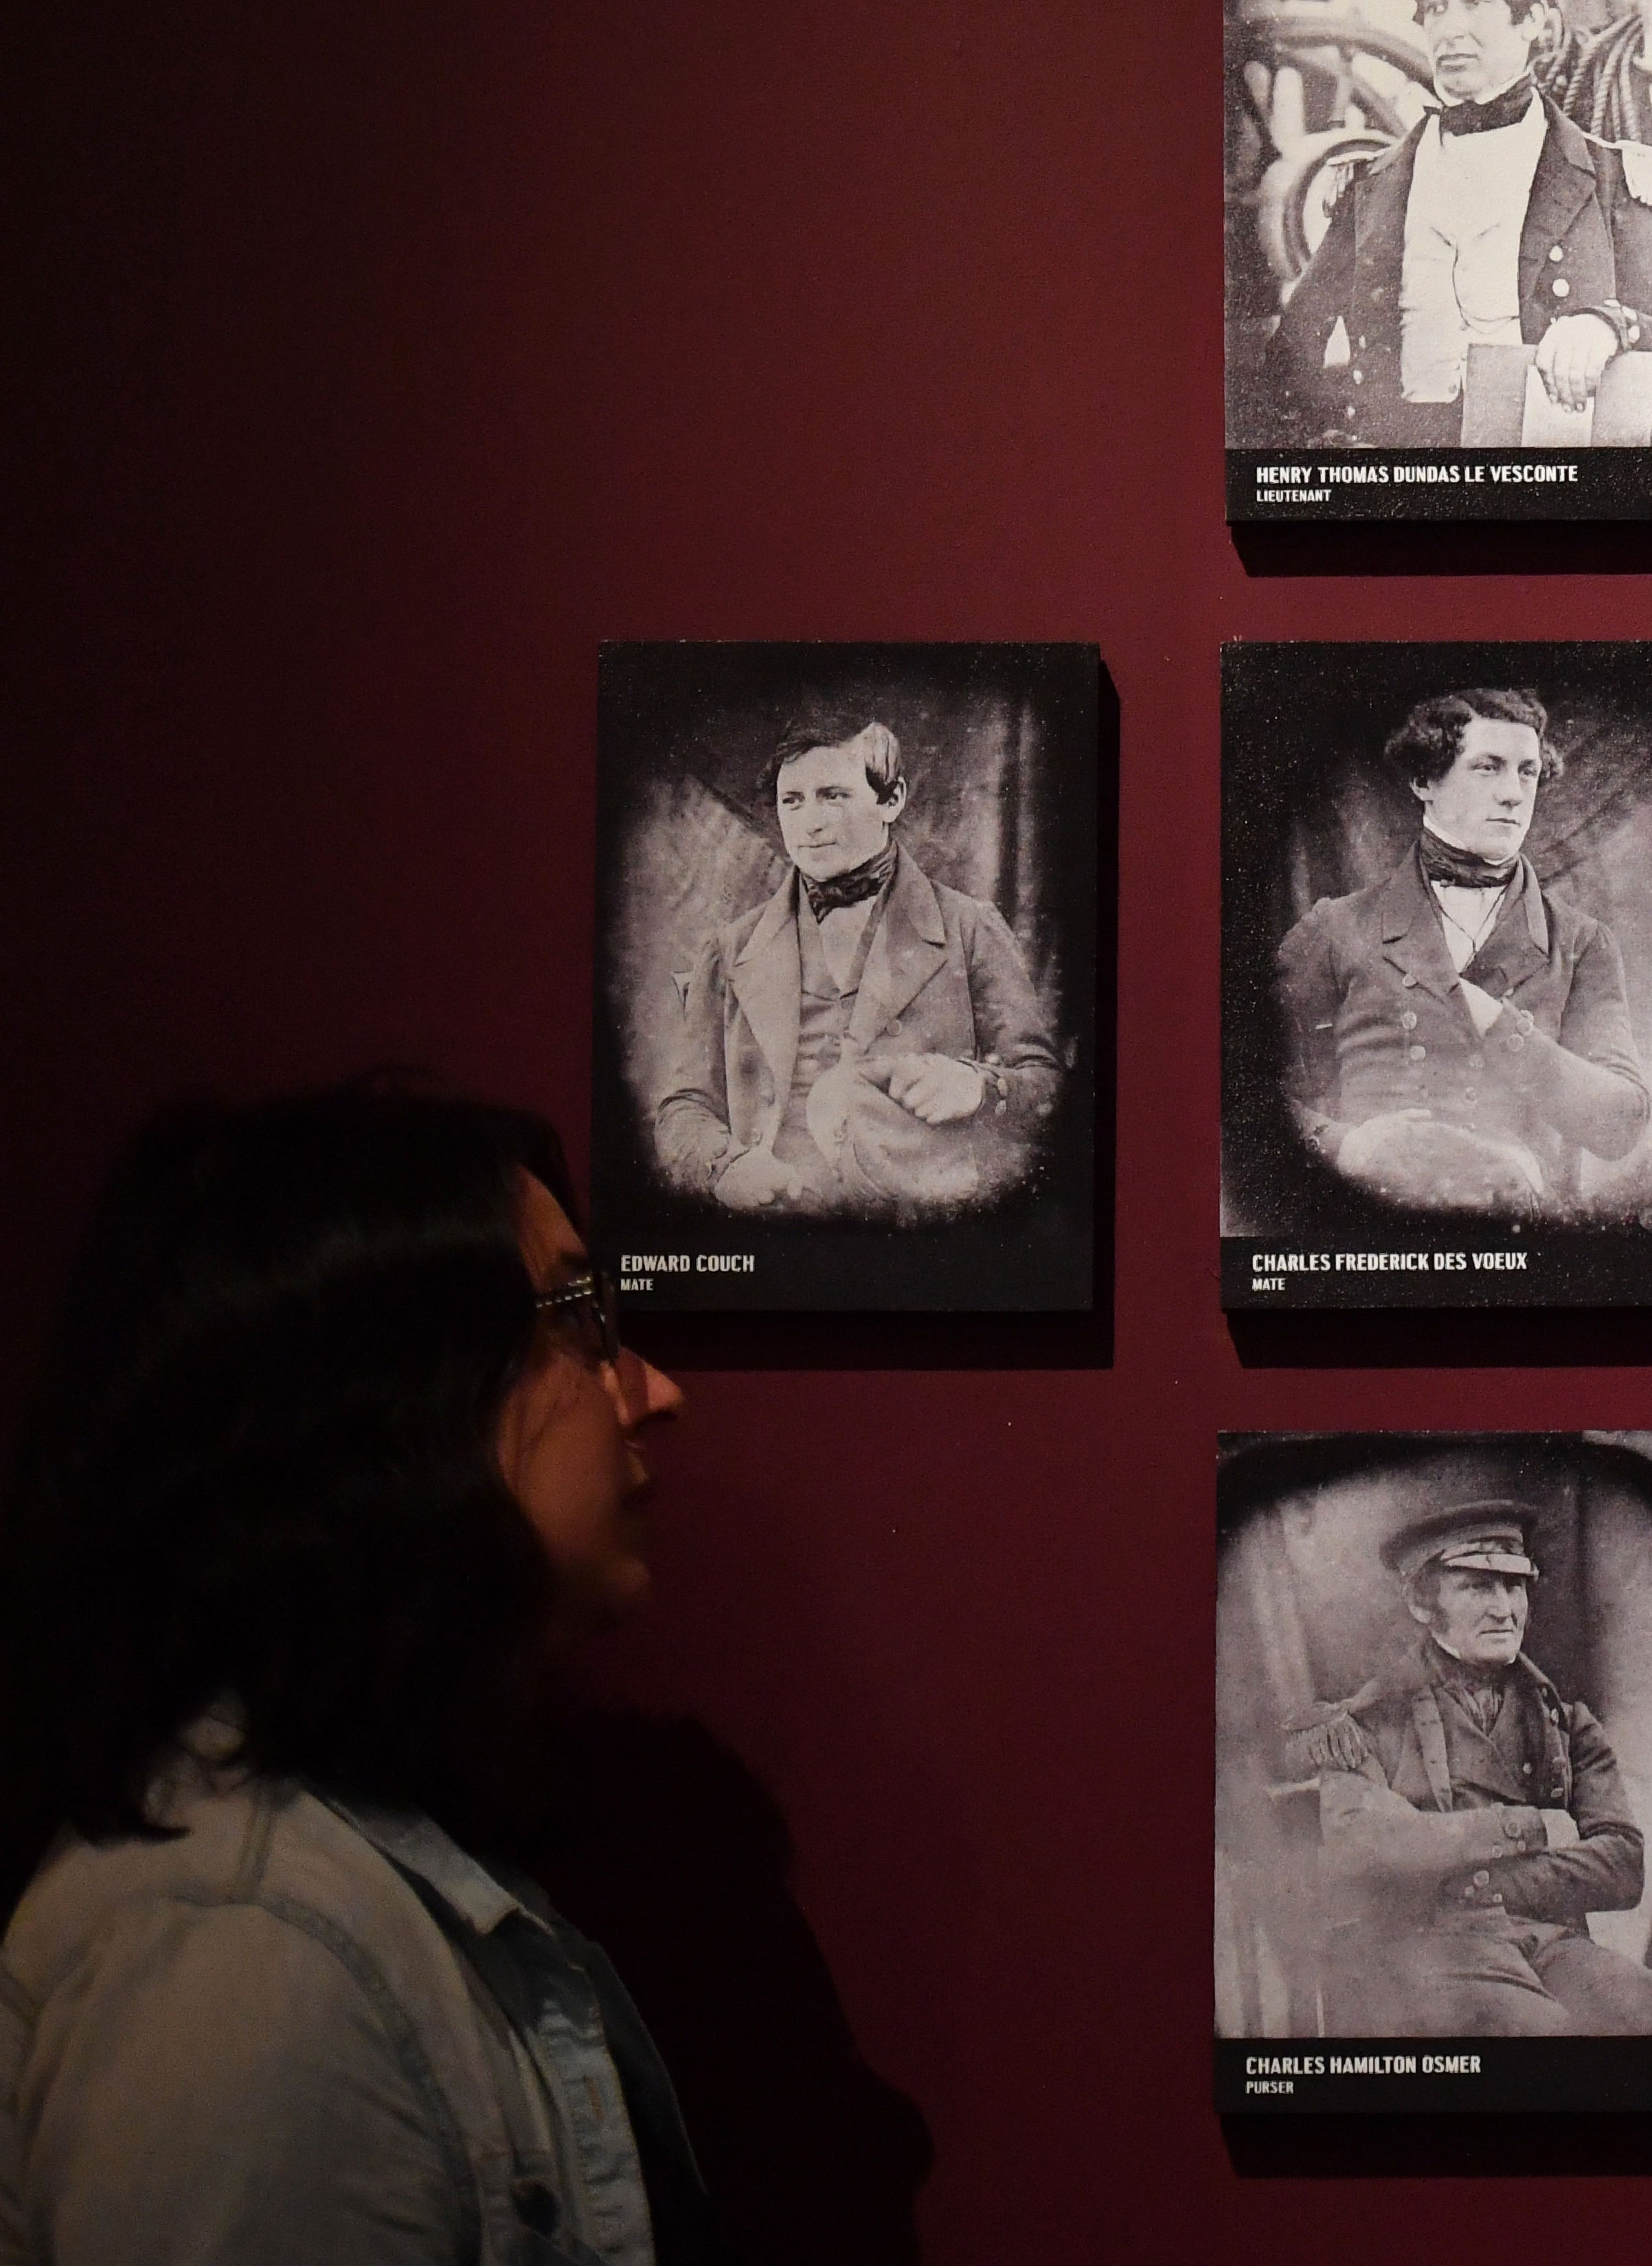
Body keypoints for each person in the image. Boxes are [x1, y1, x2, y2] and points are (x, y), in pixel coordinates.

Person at [1, 1084, 712, 2258]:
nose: (655, 1389)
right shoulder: (255, 1962)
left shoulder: (337, 1881)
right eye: (578, 1314)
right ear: (399, 1397)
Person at [1261, 0, 1652, 447]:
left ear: (1534, 19)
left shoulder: (1613, 176)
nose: (1448, 29)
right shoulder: (1370, 187)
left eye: (1474, 2)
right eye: (1433, 8)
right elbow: (1290, 354)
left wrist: (1612, 326)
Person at [1280, 1501, 1652, 2037]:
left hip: (1546, 1937)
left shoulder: (1567, 1724)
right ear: (1423, 1604)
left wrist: (1497, 1882)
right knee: (1541, 2033)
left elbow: (1623, 1865)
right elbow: (1368, 1845)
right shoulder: (1366, 1724)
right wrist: (1532, 1827)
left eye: (1514, 1587)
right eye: (1478, 1588)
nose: (1505, 1610)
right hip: (1429, 1951)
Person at [648, 713, 1061, 1220]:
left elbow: (1047, 1090)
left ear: (892, 800)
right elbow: (682, 1108)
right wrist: (726, 1167)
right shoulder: (731, 949)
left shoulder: (969, 927)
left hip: (915, 1230)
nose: (809, 822)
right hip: (773, 1226)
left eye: (833, 796)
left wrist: (978, 1089)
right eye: (791, 801)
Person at [1271, 687, 1650, 1217]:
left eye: (1527, 771)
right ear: (1424, 780)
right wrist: (1347, 1147)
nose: (1515, 794)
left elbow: (1621, 1123)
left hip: (1525, 1251)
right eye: (1488, 768)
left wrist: (1503, 1027)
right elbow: (1250, 1099)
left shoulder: (1582, 943)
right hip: (1372, 1238)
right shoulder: (1335, 930)